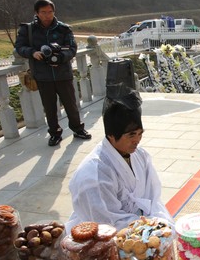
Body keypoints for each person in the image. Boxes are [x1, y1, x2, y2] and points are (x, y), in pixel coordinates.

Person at [66, 91, 170, 233]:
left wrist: (159, 223)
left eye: (140, 133)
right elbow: (106, 222)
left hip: (141, 222)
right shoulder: (95, 176)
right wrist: (149, 229)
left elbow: (153, 197)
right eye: (131, 135)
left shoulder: (140, 155)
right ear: (111, 136)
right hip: (104, 234)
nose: (137, 140)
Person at [15, 0, 91, 147]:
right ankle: (55, 133)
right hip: (43, 75)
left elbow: (72, 49)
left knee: (71, 104)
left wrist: (61, 57)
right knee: (49, 107)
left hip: (63, 73)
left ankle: (77, 129)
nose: (47, 15)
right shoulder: (28, 30)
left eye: (50, 12)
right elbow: (19, 47)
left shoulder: (63, 28)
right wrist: (33, 52)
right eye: (43, 12)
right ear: (37, 13)